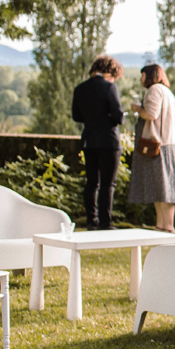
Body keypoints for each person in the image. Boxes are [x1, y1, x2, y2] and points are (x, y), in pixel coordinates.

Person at [126, 64, 175, 233]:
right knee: (162, 188)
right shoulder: (167, 91)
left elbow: (151, 114)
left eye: (143, 75)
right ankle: (162, 226)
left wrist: (137, 108)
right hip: (169, 144)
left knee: (162, 188)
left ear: (150, 76)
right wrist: (168, 121)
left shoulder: (154, 90)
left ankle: (167, 226)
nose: (141, 79)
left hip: (158, 145)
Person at [71, 55, 126, 230]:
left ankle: (91, 221)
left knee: (91, 183)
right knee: (108, 184)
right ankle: (105, 222)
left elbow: (76, 116)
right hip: (108, 140)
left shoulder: (80, 88)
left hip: (89, 139)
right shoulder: (110, 87)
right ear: (109, 72)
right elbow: (118, 117)